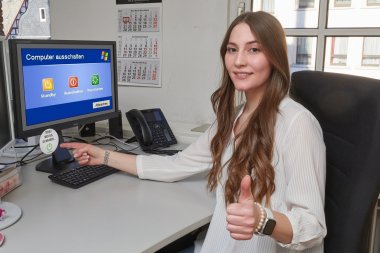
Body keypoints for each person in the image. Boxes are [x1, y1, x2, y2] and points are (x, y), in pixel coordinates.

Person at [61, 11, 326, 253]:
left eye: (254, 49)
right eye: (232, 50)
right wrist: (104, 155)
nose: (239, 61)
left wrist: (262, 219)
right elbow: (176, 165)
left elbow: (313, 227)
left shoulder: (297, 124)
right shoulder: (233, 119)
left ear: (275, 57)